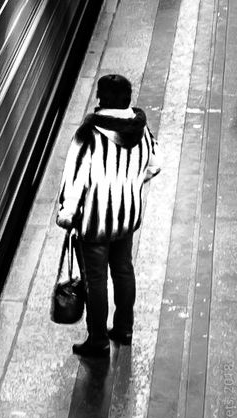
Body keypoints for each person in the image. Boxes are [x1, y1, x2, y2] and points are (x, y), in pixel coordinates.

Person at [55, 74, 161, 358]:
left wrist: (66, 216)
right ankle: (124, 328)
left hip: (95, 223)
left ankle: (98, 339)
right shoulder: (142, 130)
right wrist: (130, 184)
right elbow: (154, 165)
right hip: (125, 219)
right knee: (124, 270)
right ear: (127, 99)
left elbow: (74, 183)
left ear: (101, 99)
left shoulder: (88, 135)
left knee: (96, 280)